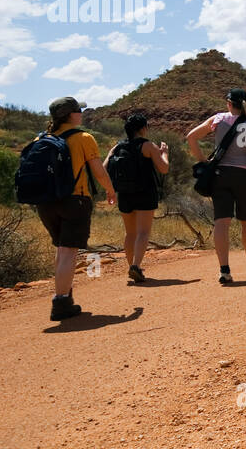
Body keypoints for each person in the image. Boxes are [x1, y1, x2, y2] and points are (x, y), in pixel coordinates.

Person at [37, 96, 115, 320]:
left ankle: (66, 296)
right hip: (74, 200)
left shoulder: (40, 139)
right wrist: (110, 190)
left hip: (45, 203)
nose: (81, 113)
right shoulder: (83, 138)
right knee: (68, 251)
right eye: (79, 110)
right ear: (71, 115)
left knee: (62, 249)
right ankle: (61, 302)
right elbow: (99, 171)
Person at [186, 88, 246, 283]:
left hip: (220, 175)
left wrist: (203, 160)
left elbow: (191, 137)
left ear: (229, 103)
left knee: (222, 221)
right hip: (244, 175)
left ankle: (224, 270)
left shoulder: (217, 119)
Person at [105, 112, 169, 283]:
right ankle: (136, 266)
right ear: (142, 129)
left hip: (124, 194)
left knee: (130, 233)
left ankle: (132, 266)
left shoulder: (117, 147)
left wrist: (110, 189)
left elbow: (105, 168)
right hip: (145, 193)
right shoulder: (148, 146)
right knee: (143, 232)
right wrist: (164, 153)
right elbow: (164, 168)